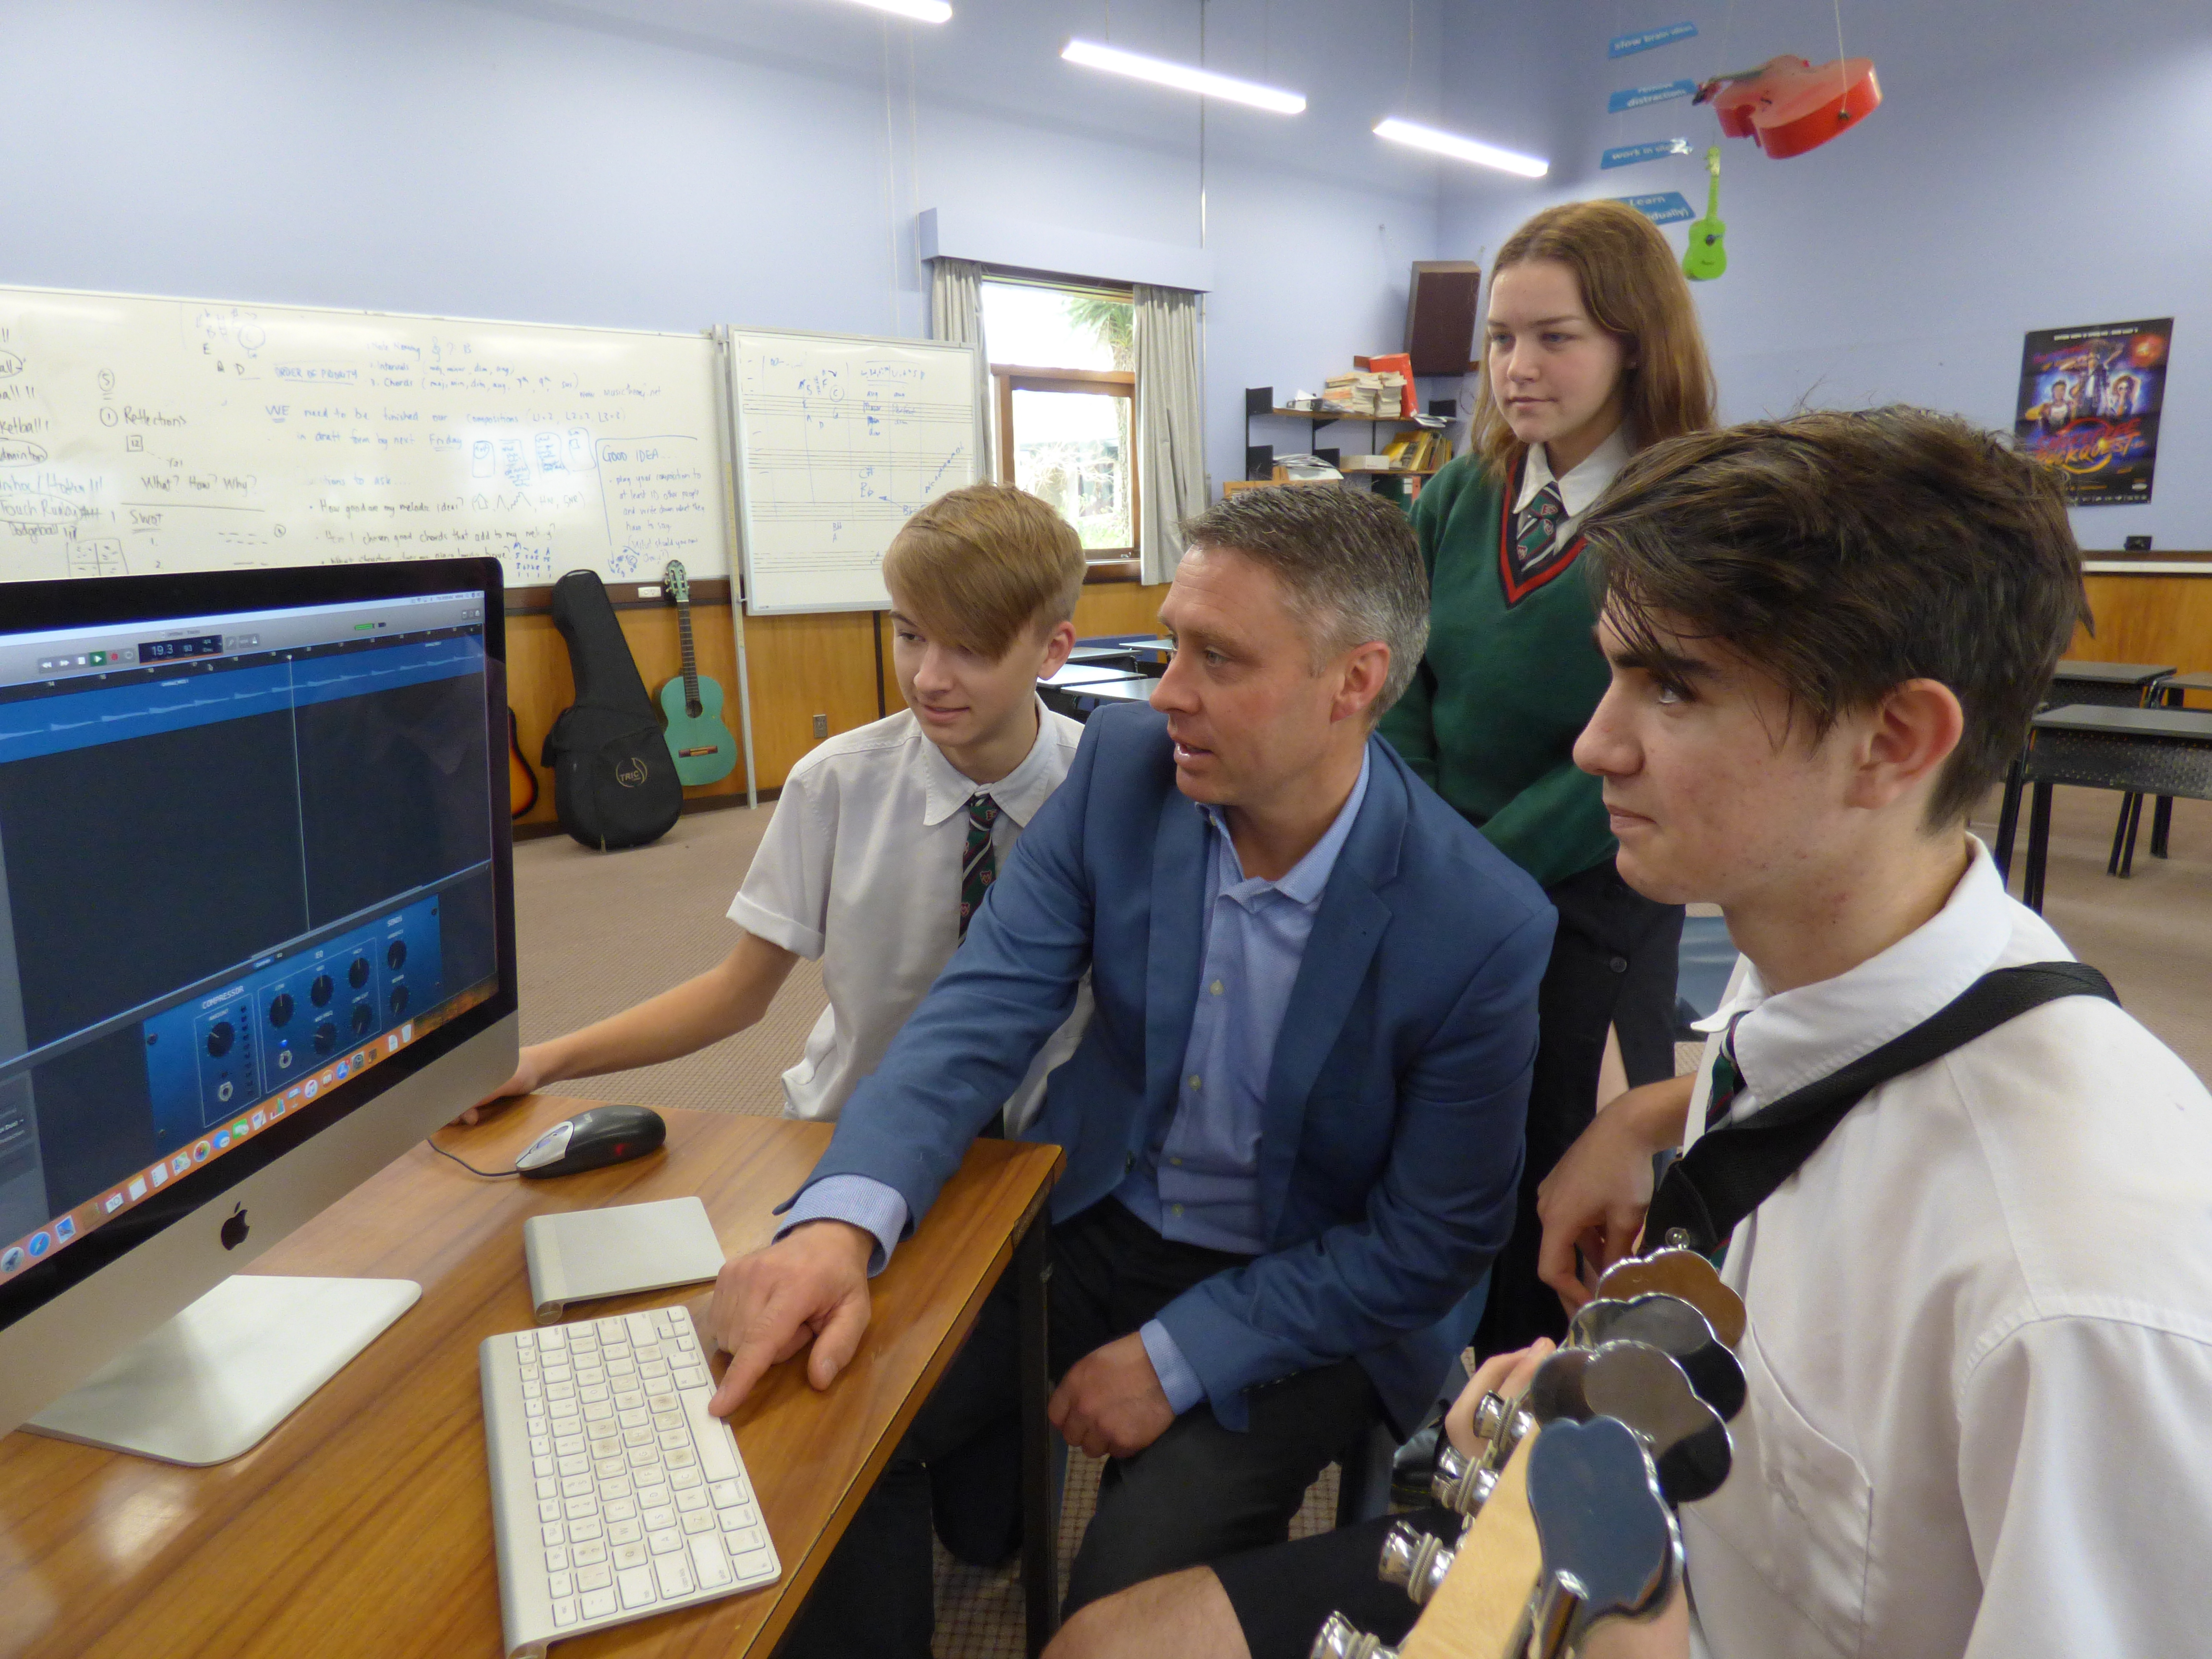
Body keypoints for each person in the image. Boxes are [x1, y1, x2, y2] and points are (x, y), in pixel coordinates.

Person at [1050, 406, 2212, 1659]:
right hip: (1657, 1533)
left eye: (1672, 686)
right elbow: (1820, 1084)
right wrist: (1642, 1113)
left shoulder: (2081, 1296)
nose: (1596, 743)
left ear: (1893, 741)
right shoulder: (1834, 974)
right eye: (1613, 671)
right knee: (1112, 1643)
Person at [705, 484, 1556, 1658]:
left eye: (1217, 659)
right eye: (1168, 645)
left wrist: (1175, 1360)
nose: (1166, 693)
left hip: (1305, 1279)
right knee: (822, 1420)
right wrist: (835, 1229)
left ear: (1353, 682)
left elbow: (1432, 1242)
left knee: (1122, 1607)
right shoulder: (1123, 770)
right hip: (1100, 1212)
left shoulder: (1482, 923)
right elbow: (979, 1012)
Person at [467, 481, 1091, 1130]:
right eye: (910, 635)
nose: (929, 677)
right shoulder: (835, 783)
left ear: (1053, 649)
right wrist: (541, 1062)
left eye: (970, 648)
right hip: (851, 1131)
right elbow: (738, 992)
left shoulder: (1103, 788)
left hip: (1044, 1147)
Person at [1378, 198, 1717, 1358]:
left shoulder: (1685, 509)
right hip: (1444, 864)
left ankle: (1531, 1397)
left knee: (1562, 1151)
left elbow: (1656, 725)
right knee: (1434, 1132)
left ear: (1634, 340)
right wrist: (1432, 843)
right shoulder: (1458, 496)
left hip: (1599, 884)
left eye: (1555, 337)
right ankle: (1433, 1372)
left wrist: (1474, 870)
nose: (1519, 369)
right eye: (1501, 340)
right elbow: (1403, 683)